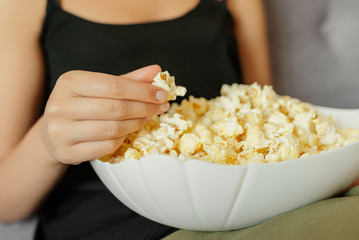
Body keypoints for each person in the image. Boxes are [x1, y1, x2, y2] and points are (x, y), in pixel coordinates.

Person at [0, 0, 272, 239]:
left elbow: (267, 115)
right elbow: (6, 203)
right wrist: (47, 142)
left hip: (229, 210)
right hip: (100, 220)